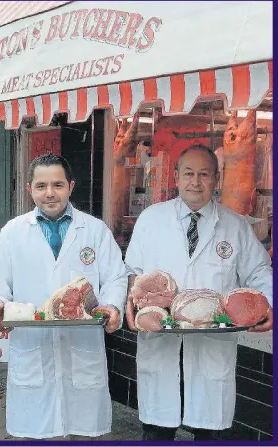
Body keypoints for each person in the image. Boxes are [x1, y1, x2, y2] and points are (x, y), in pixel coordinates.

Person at [124, 144, 273, 441]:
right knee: (156, 432)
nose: (196, 181)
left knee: (211, 432)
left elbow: (260, 272)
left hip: (211, 346)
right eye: (189, 173)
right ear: (176, 177)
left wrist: (269, 305)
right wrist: (130, 301)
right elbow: (130, 272)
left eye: (204, 174)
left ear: (216, 179)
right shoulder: (151, 219)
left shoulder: (235, 226)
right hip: (161, 341)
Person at [0, 153, 127, 440]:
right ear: (29, 190)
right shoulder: (13, 232)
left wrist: (112, 306)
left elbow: (116, 277)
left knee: (84, 433)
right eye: (41, 186)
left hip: (82, 344)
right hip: (33, 348)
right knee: (36, 434)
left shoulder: (95, 230)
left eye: (58, 185)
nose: (49, 193)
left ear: (71, 186)